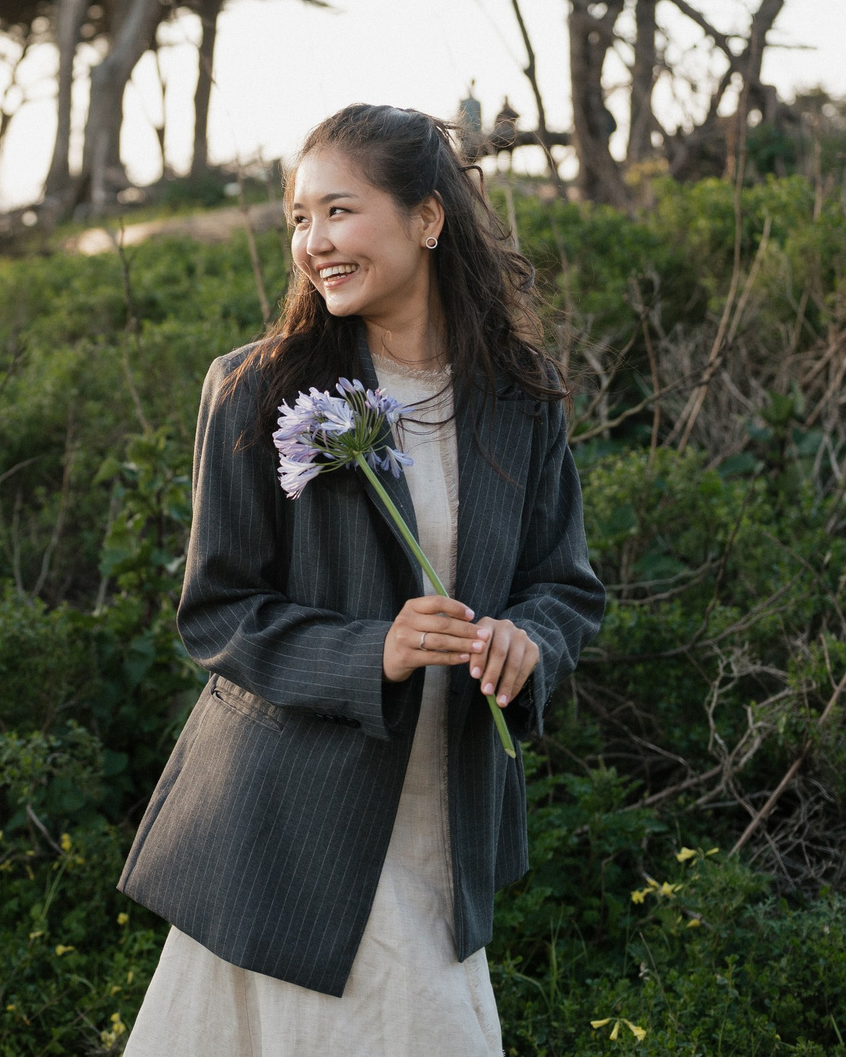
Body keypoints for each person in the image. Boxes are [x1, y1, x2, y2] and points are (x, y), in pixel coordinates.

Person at [118, 103, 605, 1054]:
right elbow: (217, 612)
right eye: (300, 218)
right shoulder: (257, 391)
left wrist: (527, 641)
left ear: (427, 217)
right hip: (293, 835)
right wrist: (367, 651)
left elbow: (566, 586)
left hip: (445, 820)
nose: (313, 242)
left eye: (338, 212)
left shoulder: (519, 394)